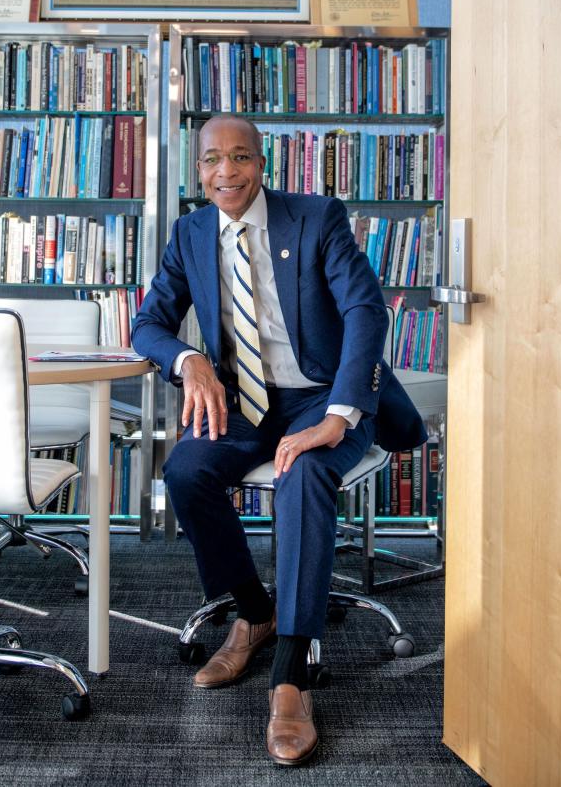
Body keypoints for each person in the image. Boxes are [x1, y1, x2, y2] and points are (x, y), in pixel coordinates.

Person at [130, 116, 425, 766]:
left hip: (321, 391)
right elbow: (146, 323)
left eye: (240, 158)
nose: (226, 173)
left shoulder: (315, 217)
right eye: (212, 160)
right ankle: (254, 610)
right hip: (246, 400)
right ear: (198, 168)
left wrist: (340, 412)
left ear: (263, 163)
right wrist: (187, 360)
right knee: (185, 470)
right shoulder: (192, 231)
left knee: (306, 472)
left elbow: (364, 310)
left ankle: (290, 674)